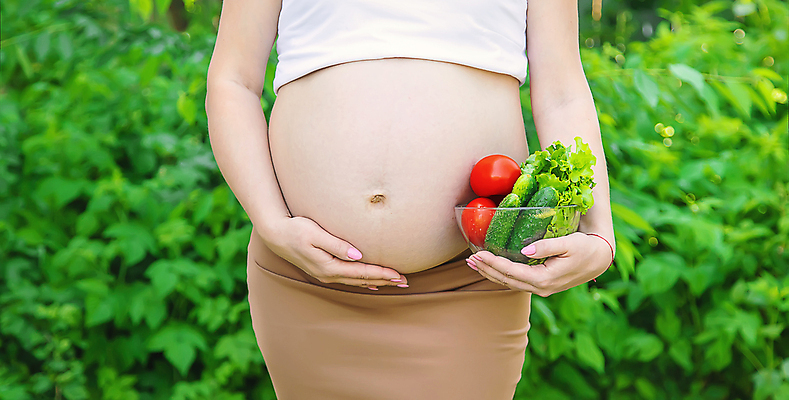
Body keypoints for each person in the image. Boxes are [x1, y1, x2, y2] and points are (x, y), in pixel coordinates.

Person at [205, 0, 615, 398]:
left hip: (468, 279)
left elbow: (563, 94)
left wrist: (599, 233)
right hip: (305, 277)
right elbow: (232, 80)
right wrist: (272, 223)